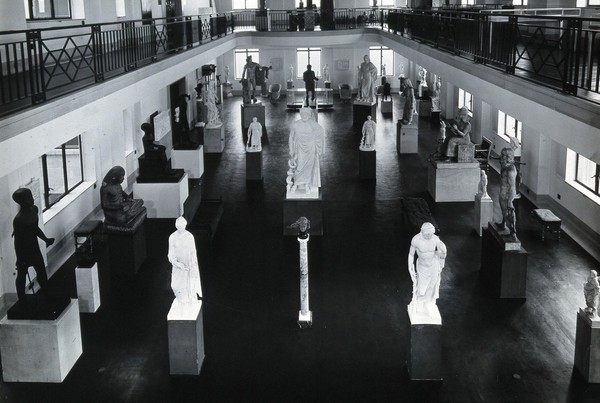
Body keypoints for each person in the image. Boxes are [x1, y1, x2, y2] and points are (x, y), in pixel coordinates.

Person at [12, 188, 54, 300]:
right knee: (21, 275)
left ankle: (47, 293)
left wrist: (46, 239)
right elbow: (18, 241)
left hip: (34, 248)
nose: (31, 199)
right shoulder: (19, 219)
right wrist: (19, 258)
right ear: (21, 201)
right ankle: (21, 299)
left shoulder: (34, 210)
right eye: (28, 198)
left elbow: (35, 229)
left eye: (31, 196)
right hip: (23, 251)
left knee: (41, 271)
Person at [408, 222, 447, 316]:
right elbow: (411, 254)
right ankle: (420, 302)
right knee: (422, 287)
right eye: (427, 235)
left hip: (433, 265)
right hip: (422, 266)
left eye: (431, 234)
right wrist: (410, 267)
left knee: (432, 286)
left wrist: (444, 252)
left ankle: (428, 303)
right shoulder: (416, 240)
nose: (429, 236)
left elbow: (441, 254)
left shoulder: (435, 239)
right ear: (422, 232)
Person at [287, 108, 325, 195]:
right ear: (300, 115)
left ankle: (307, 185)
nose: (304, 116)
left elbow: (321, 131)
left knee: (309, 167)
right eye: (302, 114)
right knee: (299, 166)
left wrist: (315, 141)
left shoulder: (312, 123)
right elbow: (291, 137)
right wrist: (291, 150)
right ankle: (296, 184)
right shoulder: (296, 124)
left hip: (310, 148)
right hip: (300, 148)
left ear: (308, 115)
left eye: (306, 114)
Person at [168, 216, 202, 311]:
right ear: (176, 226)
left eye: (183, 226)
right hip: (178, 266)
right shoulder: (172, 237)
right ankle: (181, 302)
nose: (181, 228)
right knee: (176, 285)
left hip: (188, 266)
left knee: (188, 285)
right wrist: (177, 264)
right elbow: (171, 254)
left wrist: (191, 265)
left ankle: (188, 303)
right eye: (179, 227)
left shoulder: (189, 236)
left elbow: (193, 252)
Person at [496, 147, 518, 239]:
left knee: (508, 213)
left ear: (508, 157)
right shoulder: (506, 166)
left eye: (503, 156)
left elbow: (513, 187)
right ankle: (503, 223)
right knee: (503, 210)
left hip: (507, 195)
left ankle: (513, 233)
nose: (501, 157)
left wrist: (510, 201)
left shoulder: (510, 171)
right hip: (503, 193)